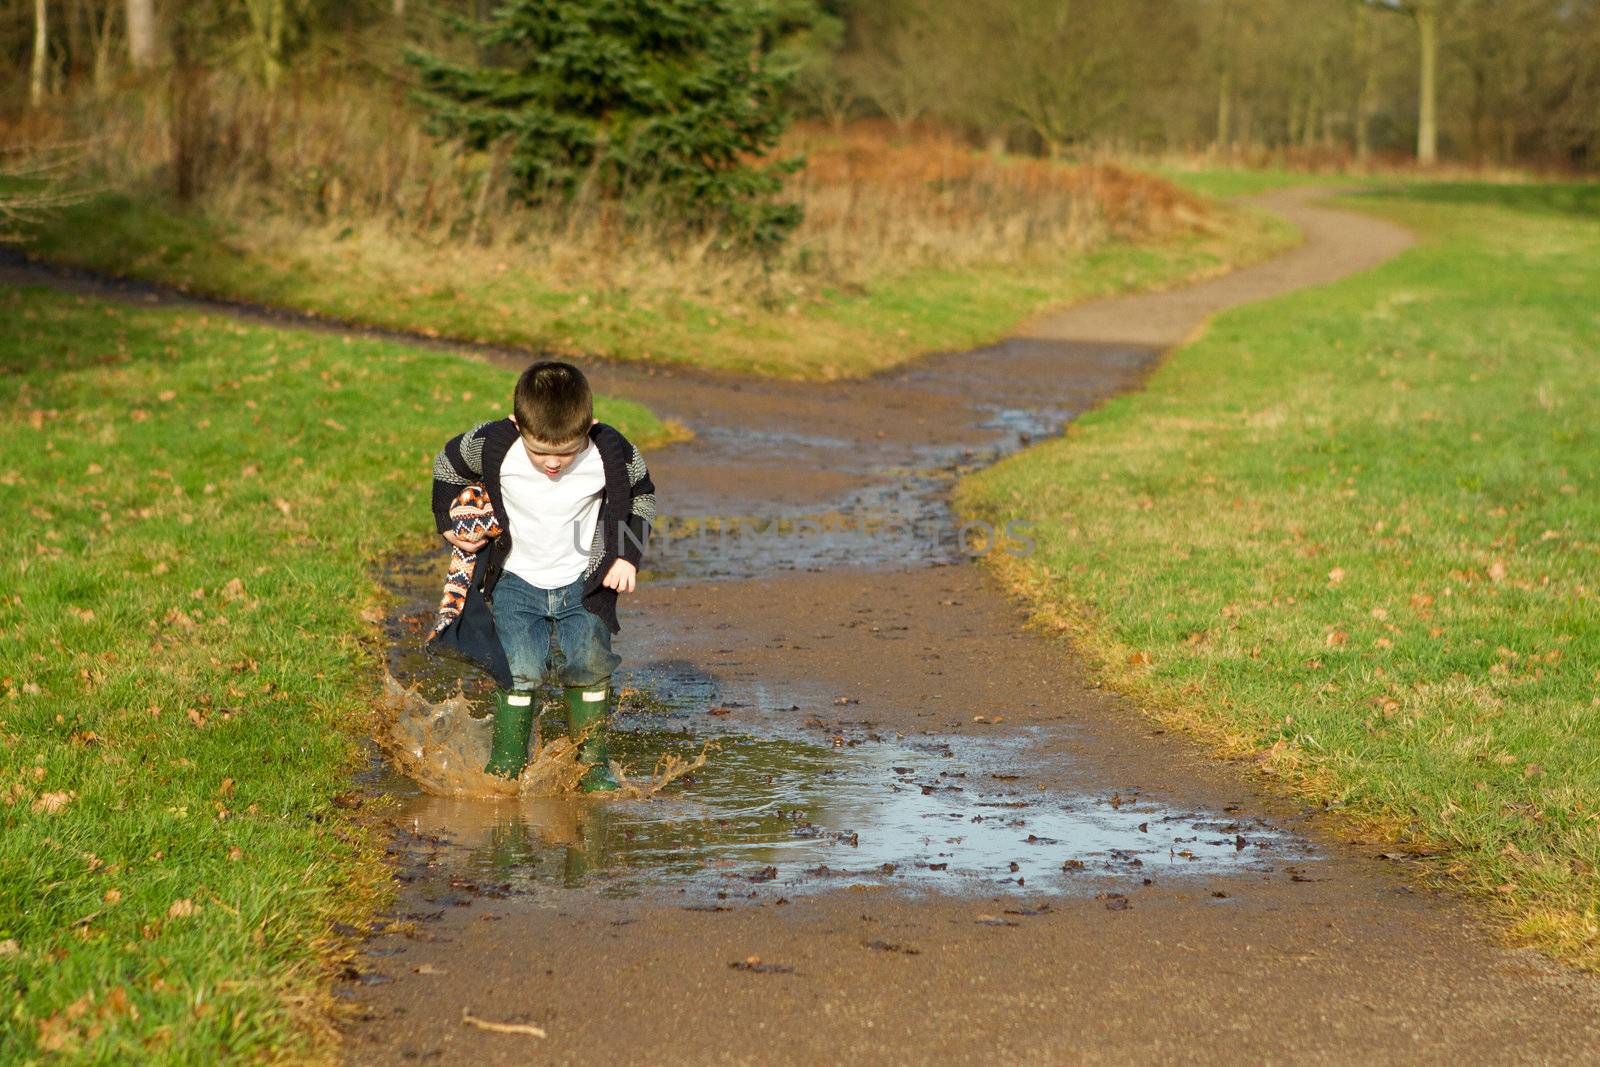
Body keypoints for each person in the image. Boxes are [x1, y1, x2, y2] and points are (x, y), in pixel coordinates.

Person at [427, 361, 656, 792]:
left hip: (585, 582)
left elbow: (642, 496)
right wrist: (447, 518)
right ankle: (507, 764)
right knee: (520, 667)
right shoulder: (493, 443)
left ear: (591, 426)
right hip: (515, 580)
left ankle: (592, 765)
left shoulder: (612, 450)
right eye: (540, 452)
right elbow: (446, 465)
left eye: (566, 453)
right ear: (517, 425)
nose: (553, 463)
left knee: (588, 663)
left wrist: (626, 556)